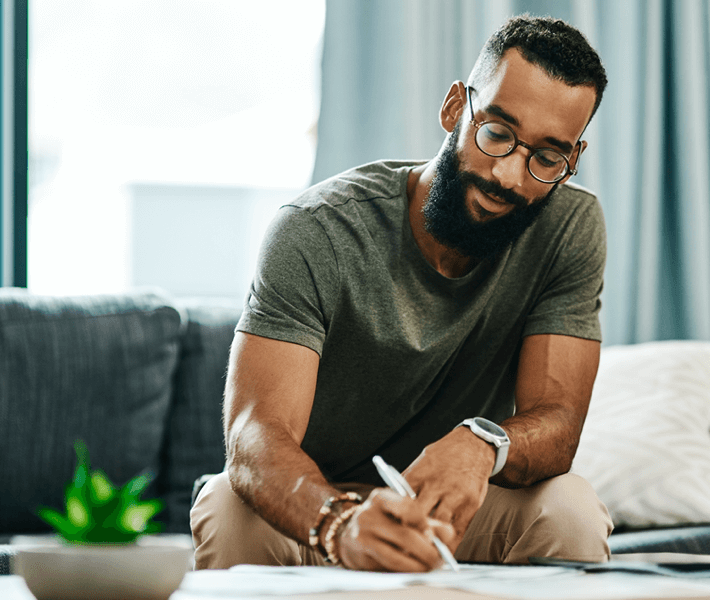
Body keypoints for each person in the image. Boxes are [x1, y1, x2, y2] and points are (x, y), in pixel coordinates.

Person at [191, 15, 612, 572]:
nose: (509, 177)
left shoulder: (569, 227)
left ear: (571, 160)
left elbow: (557, 423)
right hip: (316, 505)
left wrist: (482, 443)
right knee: (227, 504)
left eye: (547, 158)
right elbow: (254, 434)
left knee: (570, 508)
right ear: (455, 108)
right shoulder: (316, 229)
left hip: (449, 512)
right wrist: (339, 525)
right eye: (496, 133)